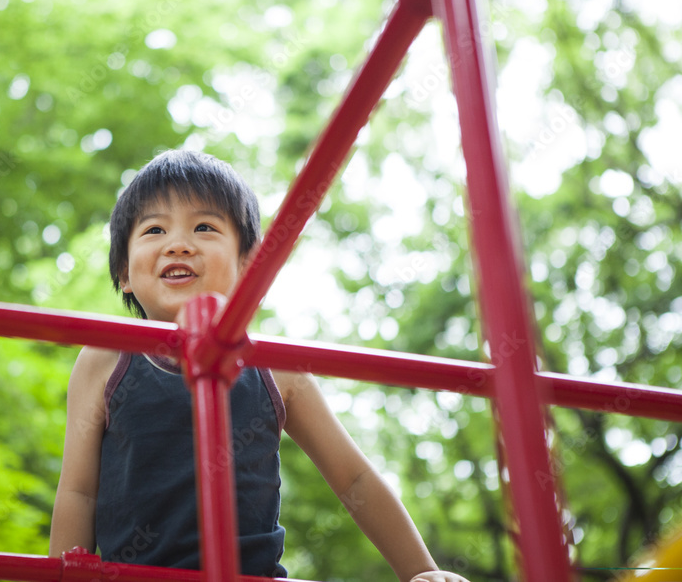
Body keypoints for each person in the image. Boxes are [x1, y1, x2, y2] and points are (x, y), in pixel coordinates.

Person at [49, 149, 471, 582]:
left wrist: (421, 571)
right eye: (154, 228)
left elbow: (354, 477)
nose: (178, 243)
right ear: (123, 270)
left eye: (204, 227)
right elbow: (79, 491)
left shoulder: (274, 365)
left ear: (249, 266)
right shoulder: (105, 358)